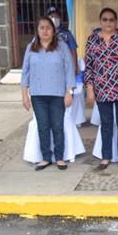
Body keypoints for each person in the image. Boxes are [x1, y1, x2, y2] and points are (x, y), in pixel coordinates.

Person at [84, 8, 118, 170]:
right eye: (105, 19)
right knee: (106, 124)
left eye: (111, 19)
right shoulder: (92, 40)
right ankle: (106, 156)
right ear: (100, 21)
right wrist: (90, 89)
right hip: (101, 89)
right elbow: (89, 66)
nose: (108, 22)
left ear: (116, 21)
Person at [21, 16, 76, 171]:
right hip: (37, 94)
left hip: (58, 94)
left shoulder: (62, 47)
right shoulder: (31, 48)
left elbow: (69, 70)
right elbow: (25, 72)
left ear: (53, 30)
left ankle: (59, 157)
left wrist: (69, 92)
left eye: (48, 27)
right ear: (37, 30)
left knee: (57, 126)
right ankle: (46, 157)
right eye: (42, 28)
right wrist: (24, 95)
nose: (45, 31)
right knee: (43, 127)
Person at [46, 6, 80, 75]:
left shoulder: (67, 33)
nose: (53, 19)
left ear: (60, 19)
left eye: (56, 17)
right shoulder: (43, 33)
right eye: (51, 17)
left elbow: (73, 51)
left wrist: (74, 68)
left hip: (64, 68)